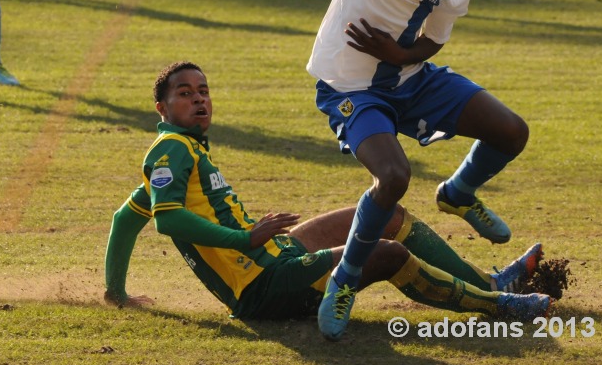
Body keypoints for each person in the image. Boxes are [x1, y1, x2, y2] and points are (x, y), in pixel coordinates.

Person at [306, 0, 533, 340]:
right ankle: (345, 279)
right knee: (393, 177)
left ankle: (458, 193)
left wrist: (400, 56)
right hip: (349, 83)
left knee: (511, 132)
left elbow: (434, 39)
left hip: (410, 76)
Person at [103, 62, 552, 326]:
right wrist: (246, 239)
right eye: (185, 94)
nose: (199, 100)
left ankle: (489, 283)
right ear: (161, 108)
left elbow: (126, 219)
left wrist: (115, 293)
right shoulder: (170, 149)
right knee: (385, 252)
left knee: (386, 215)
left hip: (278, 256)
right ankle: (498, 305)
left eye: (203, 91)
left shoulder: (183, 152)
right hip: (263, 289)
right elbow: (169, 220)